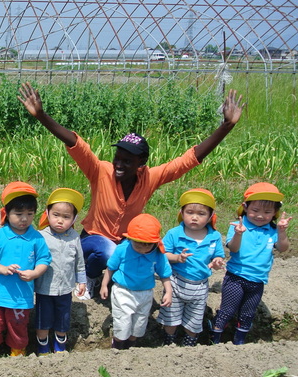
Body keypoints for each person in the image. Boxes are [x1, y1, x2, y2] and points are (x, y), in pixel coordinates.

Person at [17, 83, 245, 295]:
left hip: (126, 242)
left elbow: (189, 159)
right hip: (92, 242)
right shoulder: (100, 171)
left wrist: (227, 126)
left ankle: (118, 277)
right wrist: (41, 115)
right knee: (107, 250)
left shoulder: (150, 178)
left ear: (141, 163)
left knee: (146, 255)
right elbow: (76, 144)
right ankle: (90, 276)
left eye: (127, 161)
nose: (119, 164)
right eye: (118, 157)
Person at [209, 183, 291, 345]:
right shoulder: (238, 226)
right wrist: (239, 234)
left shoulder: (273, 230)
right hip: (236, 278)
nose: (260, 216)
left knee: (248, 313)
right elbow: (233, 248)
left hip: (258, 281)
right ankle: (215, 337)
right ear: (245, 207)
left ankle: (240, 341)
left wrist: (281, 232)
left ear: (275, 213)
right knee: (228, 310)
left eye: (267, 212)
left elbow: (283, 248)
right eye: (255, 210)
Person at [0, 182, 51, 359]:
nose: (24, 219)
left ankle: (17, 351)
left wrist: (34, 273)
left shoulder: (36, 238)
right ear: (6, 213)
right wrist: (2, 269)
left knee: (18, 326)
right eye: (18, 214)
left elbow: (44, 259)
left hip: (21, 297)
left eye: (29, 214)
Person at [158, 189, 225, 346]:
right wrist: (177, 258)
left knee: (194, 321)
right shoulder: (175, 234)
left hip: (200, 286)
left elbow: (219, 255)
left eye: (201, 214)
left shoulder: (214, 236)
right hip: (176, 282)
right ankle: (169, 342)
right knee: (171, 317)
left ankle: (190, 345)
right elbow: (162, 254)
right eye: (189, 212)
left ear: (210, 216)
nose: (194, 217)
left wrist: (217, 261)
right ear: (182, 212)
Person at [99, 214, 173, 349]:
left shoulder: (157, 253)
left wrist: (168, 291)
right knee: (123, 322)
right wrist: (104, 285)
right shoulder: (123, 249)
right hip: (123, 291)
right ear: (130, 239)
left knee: (140, 324)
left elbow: (164, 274)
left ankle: (131, 346)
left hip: (145, 293)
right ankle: (117, 346)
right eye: (138, 246)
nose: (143, 250)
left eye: (147, 246)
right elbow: (111, 268)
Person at [34, 188, 87, 355]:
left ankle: (60, 346)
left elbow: (79, 262)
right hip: (44, 288)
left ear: (74, 219)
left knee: (63, 318)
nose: (60, 221)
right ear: (47, 213)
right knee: (43, 319)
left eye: (66, 217)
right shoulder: (40, 236)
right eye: (56, 215)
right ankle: (43, 346)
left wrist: (82, 281)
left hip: (65, 288)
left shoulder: (74, 237)